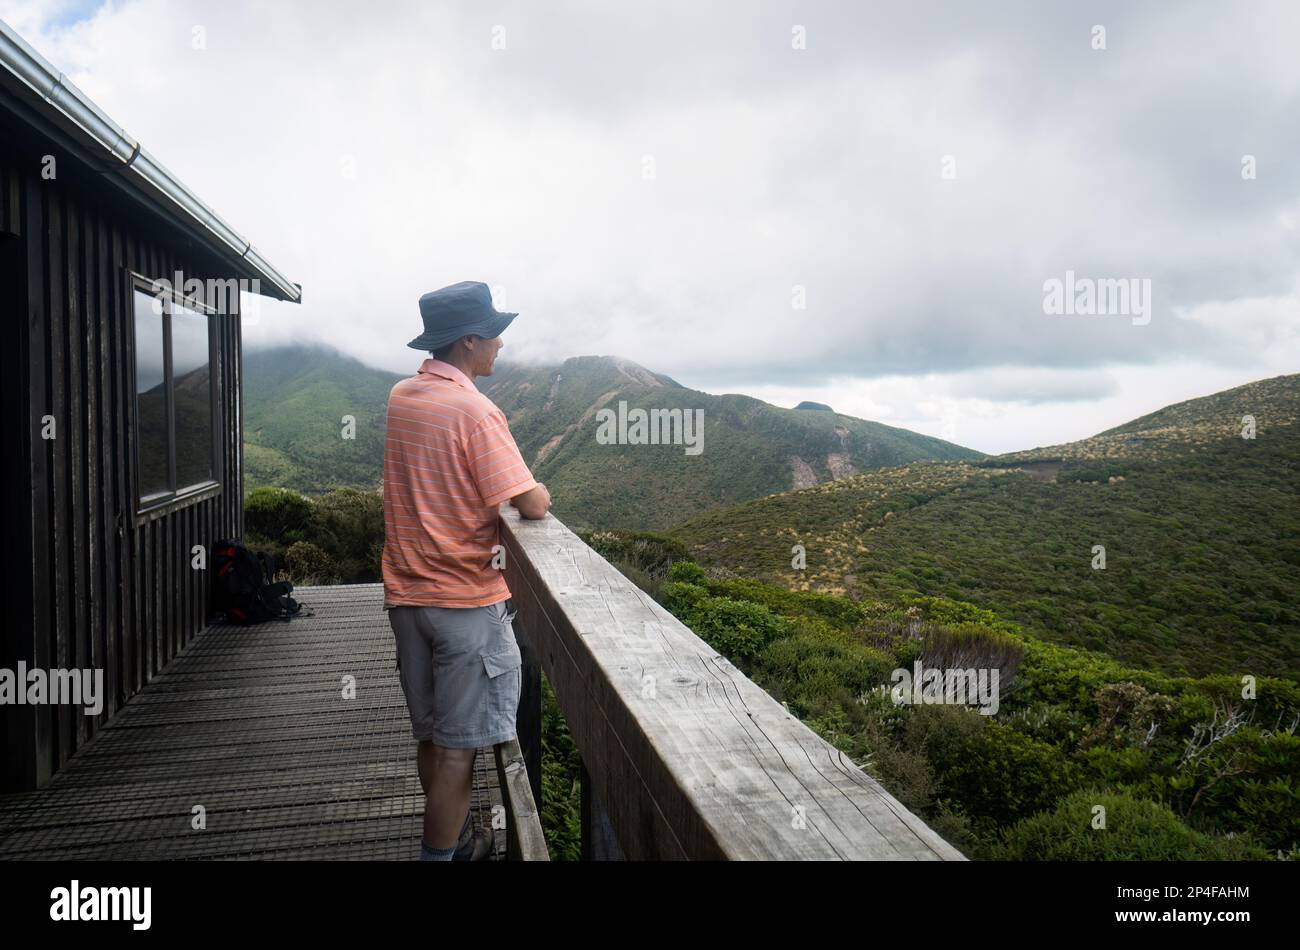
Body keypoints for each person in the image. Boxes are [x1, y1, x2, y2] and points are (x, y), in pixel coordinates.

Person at [381, 280, 551, 861]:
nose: (502, 345)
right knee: (460, 752)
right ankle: (439, 857)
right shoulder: (476, 412)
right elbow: (531, 503)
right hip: (464, 605)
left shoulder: (403, 395)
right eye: (495, 335)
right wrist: (541, 489)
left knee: (432, 737)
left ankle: (451, 844)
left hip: (408, 600)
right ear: (471, 341)